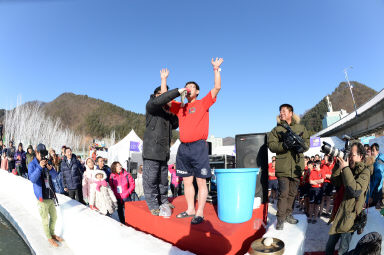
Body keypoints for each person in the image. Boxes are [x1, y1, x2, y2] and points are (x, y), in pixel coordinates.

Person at [167, 58, 223, 225]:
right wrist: (165, 81)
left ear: (197, 91)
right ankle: (190, 209)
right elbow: (165, 99)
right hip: (183, 147)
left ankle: (200, 212)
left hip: (199, 146)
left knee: (201, 181)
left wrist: (216, 69)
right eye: (187, 86)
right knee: (187, 181)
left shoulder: (203, 103)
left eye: (192, 86)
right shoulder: (180, 107)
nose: (189, 88)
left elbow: (217, 88)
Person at [142, 68, 182, 216]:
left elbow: (176, 123)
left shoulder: (167, 113)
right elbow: (160, 100)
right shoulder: (151, 106)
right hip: (151, 151)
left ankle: (164, 201)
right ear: (156, 95)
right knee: (150, 179)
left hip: (164, 152)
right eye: (162, 96)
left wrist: (174, 108)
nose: (165, 99)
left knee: (163, 180)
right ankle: (153, 204)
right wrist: (165, 82)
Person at [267, 103, 310, 230]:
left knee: (292, 194)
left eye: (284, 111)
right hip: (282, 166)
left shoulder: (300, 128)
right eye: (281, 111)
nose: (282, 113)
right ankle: (280, 219)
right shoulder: (276, 130)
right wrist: (284, 145)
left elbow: (307, 145)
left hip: (297, 166)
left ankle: (288, 215)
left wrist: (300, 145)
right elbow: (271, 145)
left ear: (291, 113)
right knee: (283, 194)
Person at [325, 142, 371, 255]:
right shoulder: (348, 168)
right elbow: (335, 181)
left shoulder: (365, 172)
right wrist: (337, 165)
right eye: (349, 154)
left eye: (352, 155)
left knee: (342, 250)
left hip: (350, 218)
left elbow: (355, 190)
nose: (349, 157)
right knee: (329, 246)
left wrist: (345, 168)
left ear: (361, 156)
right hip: (339, 213)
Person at [28, 143, 63, 247]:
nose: (43, 156)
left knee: (54, 217)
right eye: (41, 153)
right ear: (37, 153)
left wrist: (51, 169)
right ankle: (48, 237)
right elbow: (32, 179)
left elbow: (56, 177)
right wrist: (39, 167)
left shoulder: (47, 162)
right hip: (41, 197)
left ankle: (52, 234)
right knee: (45, 219)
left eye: (44, 153)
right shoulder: (32, 164)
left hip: (50, 195)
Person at [366, 143, 384, 208]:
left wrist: (371, 196)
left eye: (373, 150)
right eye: (371, 150)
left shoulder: (379, 162)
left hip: (373, 195)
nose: (372, 152)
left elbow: (377, 181)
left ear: (377, 151)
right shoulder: (375, 160)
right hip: (372, 193)